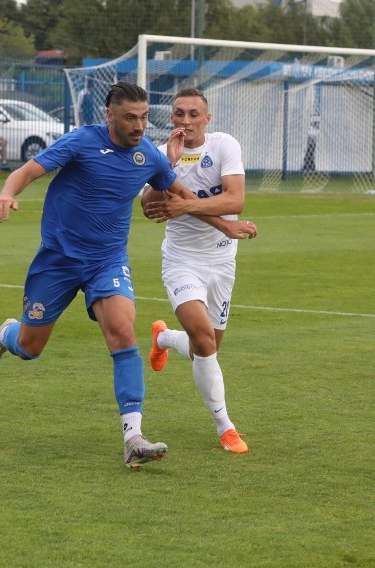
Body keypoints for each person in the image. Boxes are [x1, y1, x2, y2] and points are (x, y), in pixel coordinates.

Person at [0, 82, 239, 468]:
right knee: (31, 347)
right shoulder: (81, 142)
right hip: (59, 260)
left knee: (122, 331)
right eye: (130, 117)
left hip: (108, 261)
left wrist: (225, 225)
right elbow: (29, 170)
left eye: (144, 117)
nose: (138, 125)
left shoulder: (149, 155)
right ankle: (8, 333)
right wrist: (6, 192)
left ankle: (133, 436)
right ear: (110, 115)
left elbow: (182, 196)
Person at [140, 88, 257, 454]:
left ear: (207, 118)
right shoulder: (161, 155)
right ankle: (226, 428)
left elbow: (236, 200)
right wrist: (167, 167)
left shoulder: (224, 146)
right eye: (179, 114)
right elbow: (146, 206)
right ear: (171, 117)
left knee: (203, 349)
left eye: (193, 114)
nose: (185, 121)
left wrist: (185, 206)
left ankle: (163, 338)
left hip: (222, 261)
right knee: (204, 341)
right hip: (181, 261)